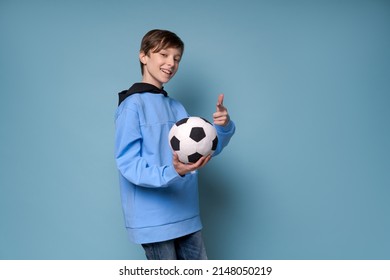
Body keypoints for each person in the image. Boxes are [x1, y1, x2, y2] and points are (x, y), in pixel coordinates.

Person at [114, 29, 235, 260]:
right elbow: (128, 165)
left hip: (187, 215)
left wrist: (222, 126)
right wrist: (173, 171)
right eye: (163, 54)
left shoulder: (177, 107)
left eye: (176, 58)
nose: (171, 63)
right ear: (144, 56)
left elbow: (203, 150)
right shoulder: (132, 106)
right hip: (154, 220)